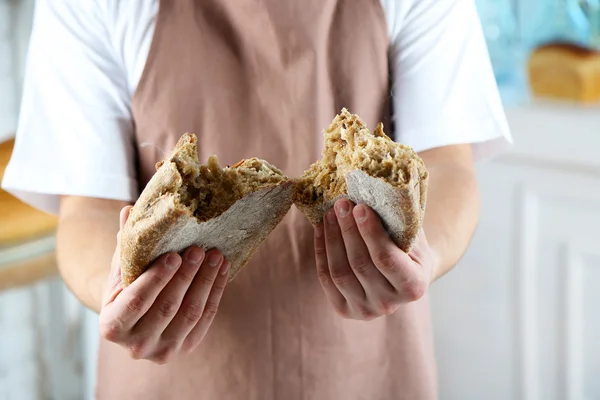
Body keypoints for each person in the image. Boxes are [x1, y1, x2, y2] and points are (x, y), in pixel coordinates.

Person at [2, 0, 512, 398]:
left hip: (364, 363)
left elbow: (446, 165)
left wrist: (427, 252)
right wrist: (118, 293)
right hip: (172, 374)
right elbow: (86, 208)